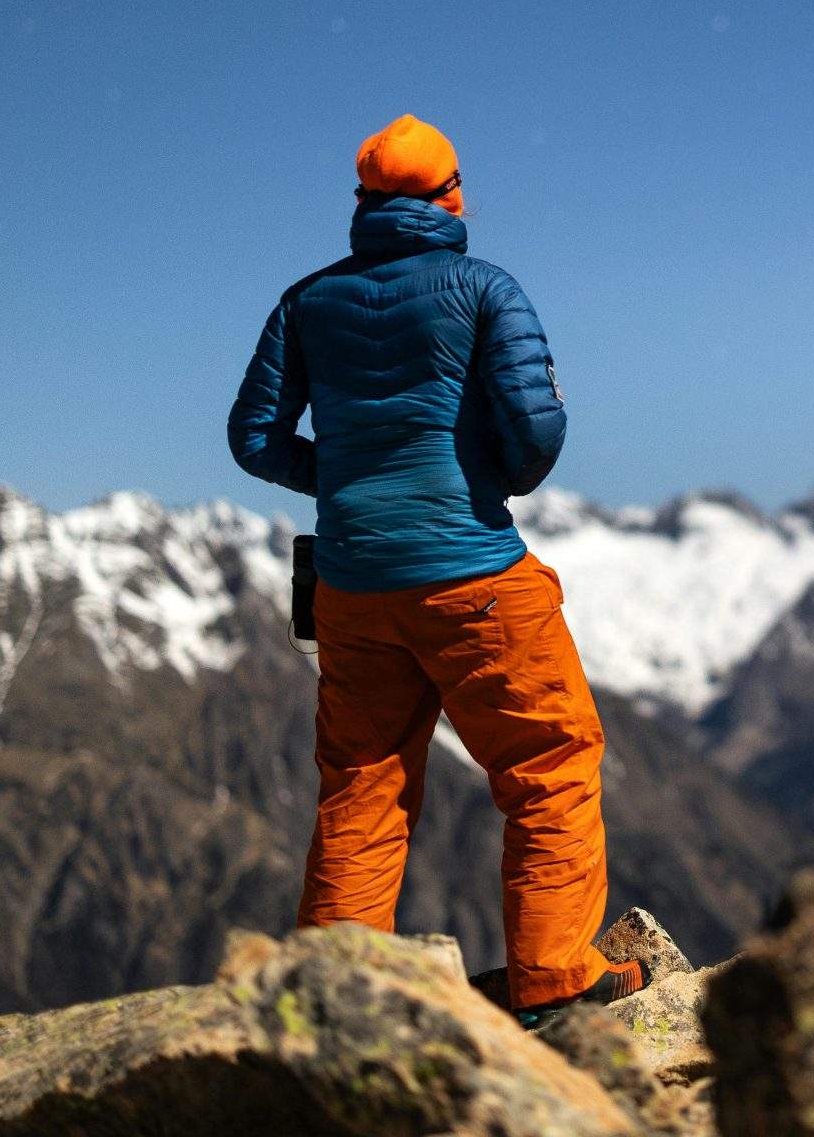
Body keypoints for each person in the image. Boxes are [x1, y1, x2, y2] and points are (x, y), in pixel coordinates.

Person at [227, 112, 642, 1023]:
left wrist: (340, 478)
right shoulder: (487, 289)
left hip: (351, 589)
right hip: (475, 579)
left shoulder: (306, 301)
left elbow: (254, 440)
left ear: (362, 203)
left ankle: (332, 998)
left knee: (362, 785)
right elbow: (534, 437)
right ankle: (556, 978)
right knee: (549, 764)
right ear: (453, 197)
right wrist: (482, 481)